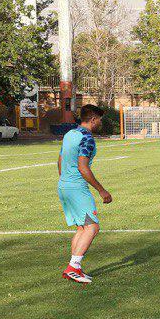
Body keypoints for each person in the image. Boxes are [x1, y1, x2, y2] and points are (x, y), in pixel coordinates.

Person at [57, 104, 112, 284]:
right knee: (92, 227)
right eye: (100, 120)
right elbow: (83, 167)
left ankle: (75, 268)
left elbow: (60, 160)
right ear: (93, 119)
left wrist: (65, 180)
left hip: (64, 186)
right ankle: (73, 267)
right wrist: (101, 190)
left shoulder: (69, 134)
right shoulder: (86, 138)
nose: (100, 123)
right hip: (77, 188)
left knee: (82, 227)